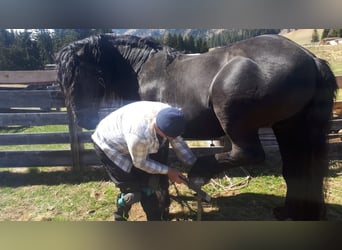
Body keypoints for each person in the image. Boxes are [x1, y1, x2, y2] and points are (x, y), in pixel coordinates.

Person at [91, 101, 197, 221]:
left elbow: (177, 141)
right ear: (160, 129)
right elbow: (140, 163)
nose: (171, 139)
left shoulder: (170, 114)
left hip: (130, 140)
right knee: (132, 190)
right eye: (168, 137)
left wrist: (194, 164)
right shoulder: (139, 135)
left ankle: (155, 219)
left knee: (149, 185)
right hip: (110, 145)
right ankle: (120, 217)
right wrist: (169, 171)